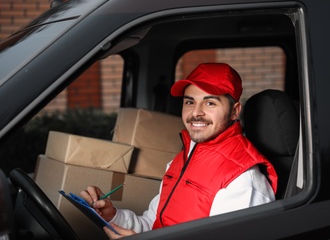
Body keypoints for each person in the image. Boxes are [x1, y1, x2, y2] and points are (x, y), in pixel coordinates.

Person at [80, 62, 278, 239]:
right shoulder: (180, 161)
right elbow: (154, 225)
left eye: (210, 103)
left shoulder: (242, 180)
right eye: (190, 102)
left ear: (235, 111)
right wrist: (113, 216)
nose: (195, 112)